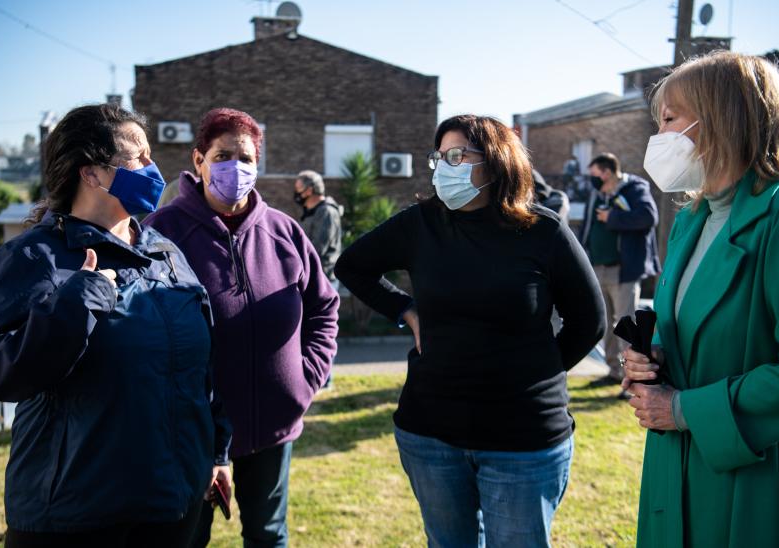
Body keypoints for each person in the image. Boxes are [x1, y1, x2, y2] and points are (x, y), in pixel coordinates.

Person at [335, 114, 606, 547]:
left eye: (458, 155)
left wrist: (534, 372)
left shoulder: (543, 231)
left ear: (497, 160)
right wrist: (406, 310)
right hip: (430, 435)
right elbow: (352, 266)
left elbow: (589, 322)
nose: (445, 166)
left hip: (522, 439)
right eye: (439, 157)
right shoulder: (420, 223)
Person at [0, 103, 231, 546]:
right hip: (76, 516)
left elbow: (200, 368)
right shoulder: (33, 258)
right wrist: (78, 301)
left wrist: (216, 453)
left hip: (171, 507)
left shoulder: (166, 253)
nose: (152, 168)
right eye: (136, 158)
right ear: (91, 174)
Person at [621, 51, 779, 547]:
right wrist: (651, 358)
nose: (658, 137)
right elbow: (683, 326)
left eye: (668, 119)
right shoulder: (690, 218)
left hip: (750, 469)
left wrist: (683, 409)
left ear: (720, 117)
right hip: (672, 465)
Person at [144, 108, 339, 548]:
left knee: (269, 536)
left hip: (272, 426)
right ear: (199, 160)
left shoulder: (283, 231)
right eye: (223, 155)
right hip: (191, 433)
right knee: (187, 537)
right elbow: (145, 329)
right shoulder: (162, 233)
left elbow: (324, 307)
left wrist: (305, 380)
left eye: (246, 157)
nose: (236, 166)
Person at [579, 152, 660, 388]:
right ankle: (614, 371)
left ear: (606, 172)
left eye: (593, 174)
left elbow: (648, 217)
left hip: (623, 270)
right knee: (605, 323)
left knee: (626, 324)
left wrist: (612, 217)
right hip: (598, 268)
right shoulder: (595, 193)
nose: (590, 179)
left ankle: (634, 376)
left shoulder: (635, 188)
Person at [293, 170, 343, 389]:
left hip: (324, 280)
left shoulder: (326, 213)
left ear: (310, 189)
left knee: (320, 330)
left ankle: (325, 380)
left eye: (299, 189)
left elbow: (316, 250)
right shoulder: (311, 212)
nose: (297, 194)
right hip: (309, 280)